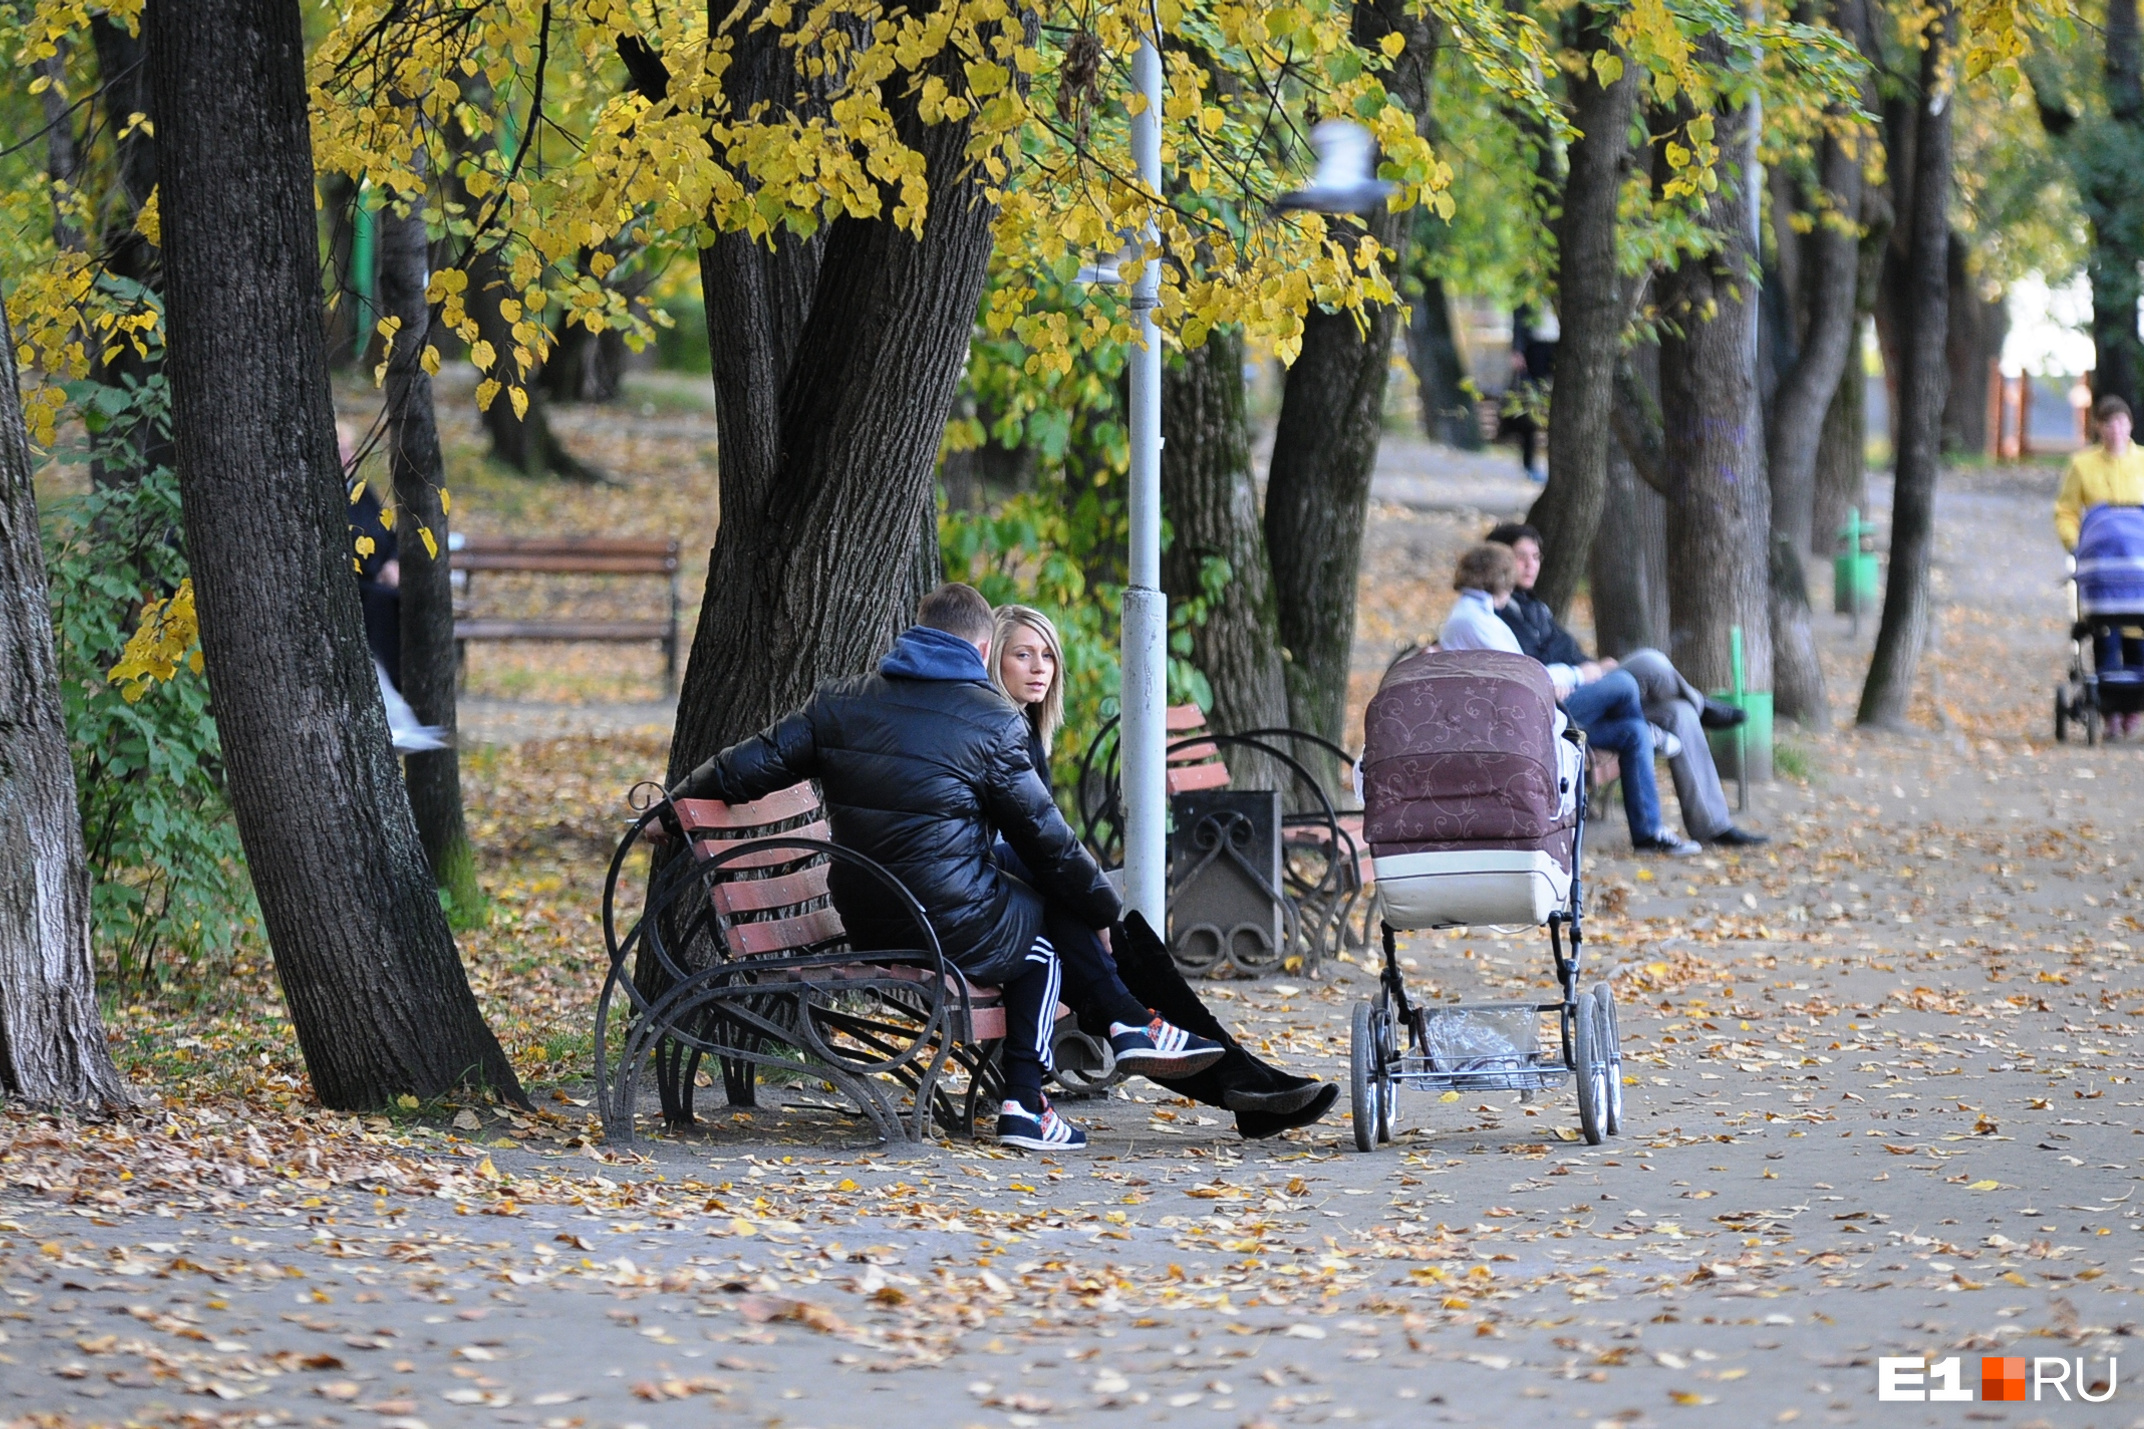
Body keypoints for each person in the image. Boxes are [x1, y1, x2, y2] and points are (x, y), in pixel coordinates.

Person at [670, 583, 1221, 1154]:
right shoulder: (992, 723)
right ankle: (1046, 1091)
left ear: (917, 630)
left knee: (1043, 897)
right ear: (984, 651)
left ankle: (1114, 1034)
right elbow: (1049, 843)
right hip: (947, 922)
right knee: (1044, 940)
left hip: (866, 917)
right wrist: (1103, 913)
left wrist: (672, 804)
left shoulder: (839, 700)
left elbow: (745, 766)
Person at [988, 604, 1339, 1139]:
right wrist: (1092, 906)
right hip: (1015, 919)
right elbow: (1024, 851)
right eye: (1023, 655)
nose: (1039, 668)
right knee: (1137, 961)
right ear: (994, 660)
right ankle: (1243, 1085)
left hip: (1033, 910)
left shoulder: (1022, 731)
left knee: (1141, 955)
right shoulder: (998, 732)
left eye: (1048, 657)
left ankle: (1248, 1082)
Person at [1486, 524, 1767, 848]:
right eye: (1521, 557)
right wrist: (1584, 671)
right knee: (1649, 661)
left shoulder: (1536, 608)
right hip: (1558, 707)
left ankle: (1714, 825)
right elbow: (1529, 673)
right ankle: (1703, 705)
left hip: (1589, 695)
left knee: (1679, 711)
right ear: (1499, 559)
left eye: (1536, 557)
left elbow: (1574, 654)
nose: (1530, 565)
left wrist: (1591, 666)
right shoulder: (1495, 615)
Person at [1438, 543, 1700, 857]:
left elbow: (1521, 673)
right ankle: (1652, 729)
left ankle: (1649, 834)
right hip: (1526, 721)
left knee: (1633, 732)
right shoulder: (1474, 621)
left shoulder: (1478, 614)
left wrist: (1563, 678)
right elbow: (1524, 679)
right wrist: (1576, 675)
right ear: (1499, 579)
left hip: (1532, 711)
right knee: (1623, 682)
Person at [2054, 396, 2144, 737]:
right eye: (2108, 423)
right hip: (2101, 569)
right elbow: (2065, 510)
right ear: (2098, 428)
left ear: (2130, 425)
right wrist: (2075, 544)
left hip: (2139, 568)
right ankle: (2108, 708)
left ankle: (2132, 707)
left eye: (2120, 422)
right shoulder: (2083, 465)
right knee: (2105, 636)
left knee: (2138, 637)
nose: (2115, 430)